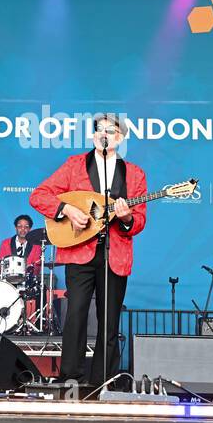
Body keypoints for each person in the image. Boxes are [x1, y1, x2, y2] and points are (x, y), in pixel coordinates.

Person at [30, 113, 146, 390]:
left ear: (120, 138)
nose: (103, 133)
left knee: (110, 319)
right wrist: (66, 209)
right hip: (79, 251)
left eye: (110, 130)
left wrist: (127, 217)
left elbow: (139, 220)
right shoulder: (74, 166)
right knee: (76, 314)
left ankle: (104, 380)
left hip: (114, 255)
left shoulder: (134, 173)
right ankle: (71, 377)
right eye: (99, 129)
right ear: (94, 136)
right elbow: (39, 195)